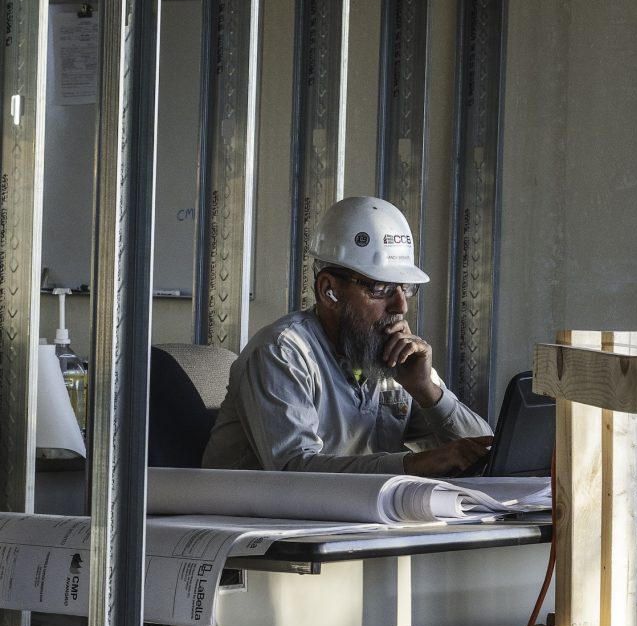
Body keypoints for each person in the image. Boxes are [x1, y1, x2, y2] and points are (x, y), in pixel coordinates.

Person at [202, 196, 493, 477]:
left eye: (405, 288)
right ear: (329, 291)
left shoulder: (389, 354)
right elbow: (294, 472)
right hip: (255, 524)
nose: (401, 305)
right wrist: (411, 465)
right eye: (381, 289)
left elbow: (486, 450)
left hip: (359, 523)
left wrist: (426, 390)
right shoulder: (282, 353)